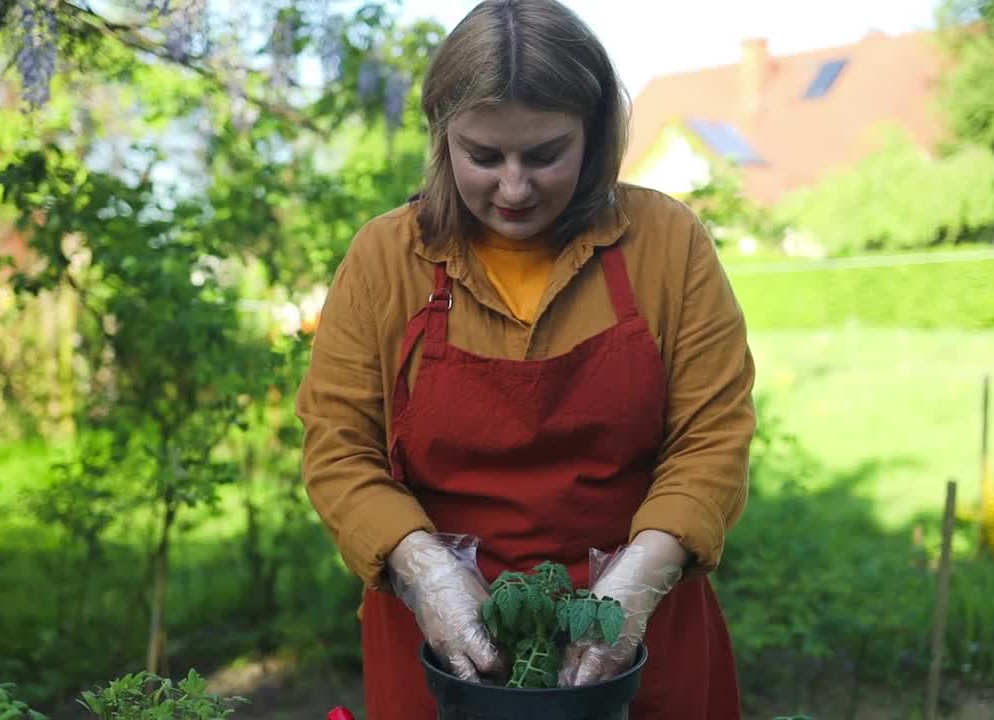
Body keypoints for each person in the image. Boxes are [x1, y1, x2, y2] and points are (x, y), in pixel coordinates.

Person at [295, 1, 756, 717]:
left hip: (640, 635)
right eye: (484, 156)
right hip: (438, 644)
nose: (513, 188)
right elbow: (337, 449)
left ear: (594, 132)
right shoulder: (386, 261)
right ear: (443, 136)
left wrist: (637, 582)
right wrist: (426, 573)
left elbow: (713, 439)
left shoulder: (666, 244)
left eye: (545, 154)